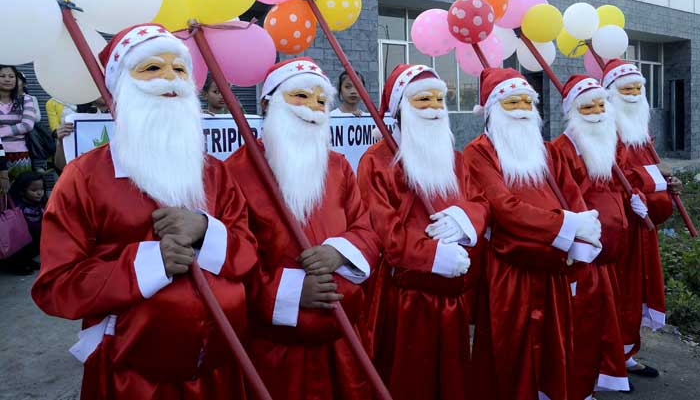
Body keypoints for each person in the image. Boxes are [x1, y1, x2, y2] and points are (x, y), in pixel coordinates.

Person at [31, 23, 258, 399]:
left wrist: (204, 229)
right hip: (132, 376)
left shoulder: (215, 174)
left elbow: (247, 254)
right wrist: (148, 264)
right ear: (121, 88)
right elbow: (57, 286)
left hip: (218, 364)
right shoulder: (84, 177)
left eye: (180, 69)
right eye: (151, 68)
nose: (169, 79)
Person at [225, 57, 382, 400]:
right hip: (275, 351)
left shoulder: (339, 167)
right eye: (300, 96)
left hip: (344, 339)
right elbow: (229, 257)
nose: (313, 108)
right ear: (268, 103)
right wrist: (292, 291)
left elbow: (366, 229)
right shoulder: (234, 172)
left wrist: (338, 251)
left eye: (321, 101)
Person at [464, 67, 602, 400]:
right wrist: (567, 225)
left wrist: (584, 230)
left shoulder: (547, 151)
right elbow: (504, 208)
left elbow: (573, 196)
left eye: (528, 101)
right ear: (494, 109)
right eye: (513, 102)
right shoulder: (479, 152)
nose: (523, 109)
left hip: (553, 268)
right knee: (510, 353)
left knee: (555, 349)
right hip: (508, 273)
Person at [357, 64, 488, 400]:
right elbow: (383, 230)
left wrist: (463, 220)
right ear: (401, 108)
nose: (433, 108)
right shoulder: (376, 161)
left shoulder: (455, 159)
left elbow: (480, 202)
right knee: (408, 382)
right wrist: (432, 254)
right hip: (405, 301)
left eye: (439, 99)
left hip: (454, 297)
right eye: (422, 100)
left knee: (452, 381)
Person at [552, 75, 633, 396]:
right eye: (587, 107)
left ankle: (593, 381)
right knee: (580, 327)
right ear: (573, 111)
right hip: (582, 259)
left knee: (601, 325)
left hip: (609, 258)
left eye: (601, 104)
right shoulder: (559, 150)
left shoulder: (605, 141)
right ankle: (575, 387)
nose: (598, 112)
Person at [603, 58, 679, 378]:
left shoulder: (642, 132)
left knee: (637, 290)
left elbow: (648, 172)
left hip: (643, 226)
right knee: (618, 292)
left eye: (638, 87)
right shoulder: (604, 129)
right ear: (610, 94)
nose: (633, 94)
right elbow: (607, 179)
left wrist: (667, 183)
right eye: (626, 88)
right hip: (619, 226)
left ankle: (627, 353)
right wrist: (650, 182)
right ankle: (608, 362)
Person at [4, 171, 46, 274]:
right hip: (18, 243)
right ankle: (18, 265)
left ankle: (27, 261)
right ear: (23, 191)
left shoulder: (39, 204)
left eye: (41, 189)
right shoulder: (18, 207)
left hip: (32, 239)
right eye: (34, 190)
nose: (39, 192)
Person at [0, 65, 37, 181]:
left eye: (11, 76)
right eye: (2, 76)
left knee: (20, 194)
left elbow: (27, 125)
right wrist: (15, 128)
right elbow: (21, 126)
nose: (7, 79)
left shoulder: (25, 99)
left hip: (20, 156)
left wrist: (1, 132)